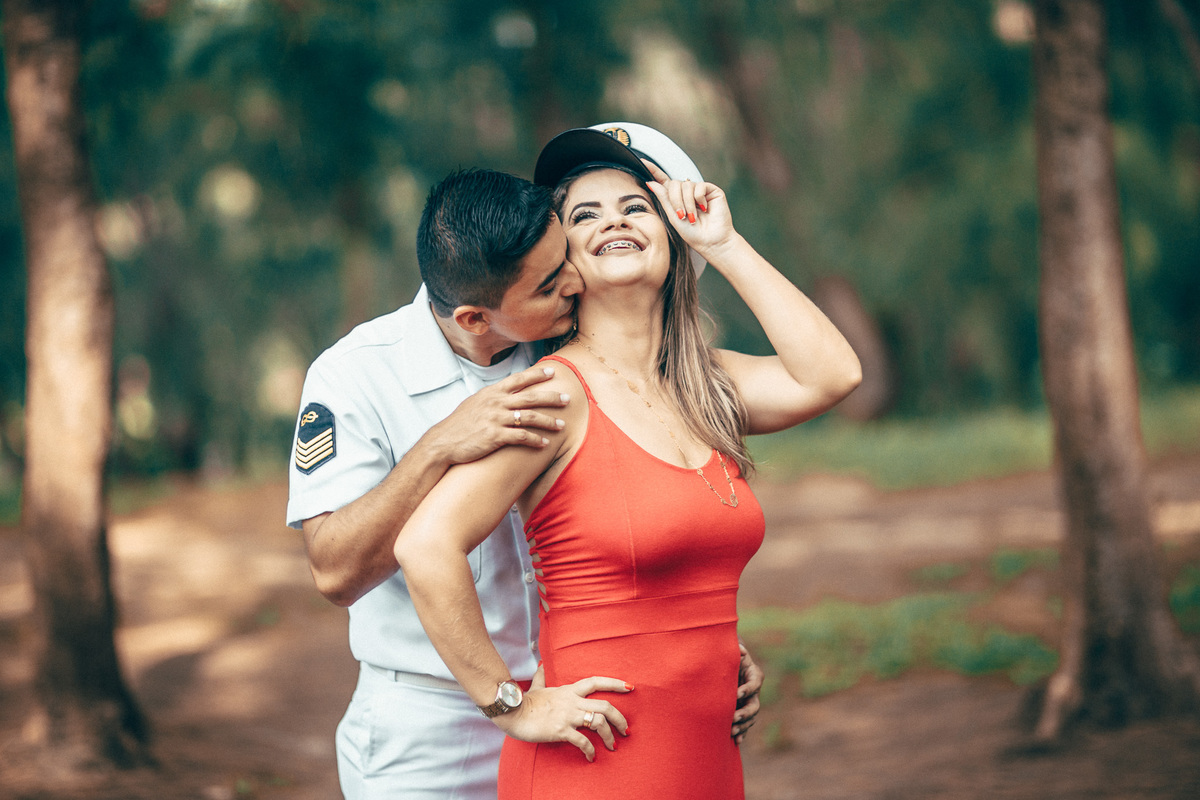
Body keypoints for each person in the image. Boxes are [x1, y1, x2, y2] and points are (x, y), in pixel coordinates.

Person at [392, 123, 862, 798]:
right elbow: (426, 544)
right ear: (564, 264)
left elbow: (834, 374)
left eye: (635, 206)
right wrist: (510, 704)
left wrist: (723, 243)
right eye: (585, 215)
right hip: (597, 758)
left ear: (670, 234)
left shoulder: (708, 384)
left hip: (705, 755)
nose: (614, 220)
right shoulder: (554, 396)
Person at [287, 165, 763, 799]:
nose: (574, 281)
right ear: (476, 318)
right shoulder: (357, 375)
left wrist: (693, 643)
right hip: (433, 726)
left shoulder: (559, 344)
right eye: (548, 284)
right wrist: (437, 448)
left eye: (563, 258)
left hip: (575, 705)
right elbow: (334, 571)